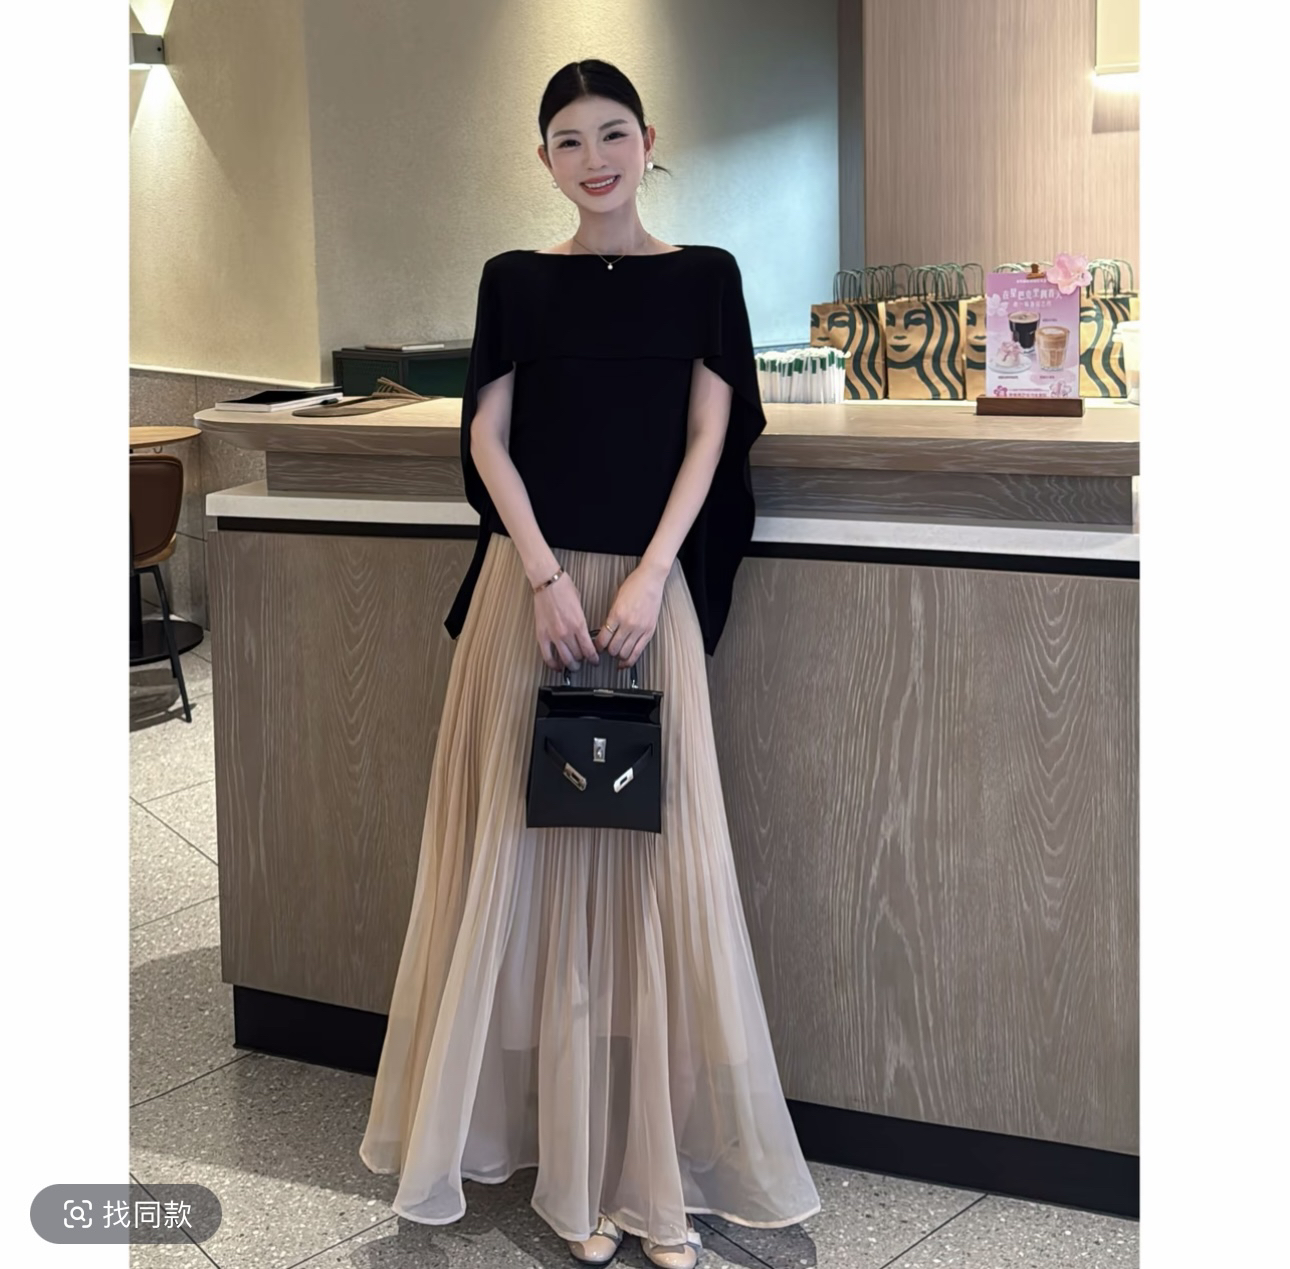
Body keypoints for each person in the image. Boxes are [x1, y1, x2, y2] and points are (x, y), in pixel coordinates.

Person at [360, 58, 820, 1269]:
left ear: (649, 140)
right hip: (536, 603)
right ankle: (563, 1166)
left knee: (651, 873)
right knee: (528, 865)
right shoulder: (515, 280)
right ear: (545, 160)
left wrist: (654, 574)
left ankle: (642, 1170)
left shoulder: (705, 278)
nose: (594, 158)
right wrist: (542, 573)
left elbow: (713, 434)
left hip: (644, 602)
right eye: (569, 141)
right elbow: (487, 438)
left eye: (613, 134)